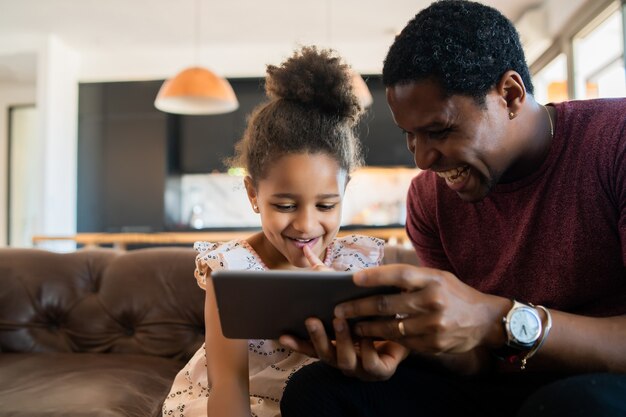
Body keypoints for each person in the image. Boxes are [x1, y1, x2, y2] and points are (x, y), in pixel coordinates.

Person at [278, 1, 626, 416]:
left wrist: (496, 318)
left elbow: (487, 326)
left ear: (510, 95)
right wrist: (413, 341)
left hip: (605, 384)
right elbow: (476, 361)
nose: (422, 159)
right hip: (502, 385)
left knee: (569, 405)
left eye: (439, 131)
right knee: (317, 390)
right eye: (410, 136)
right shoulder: (429, 199)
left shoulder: (615, 143)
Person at [161, 46, 397, 417]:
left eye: (325, 205)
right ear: (254, 193)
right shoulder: (230, 269)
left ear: (345, 191)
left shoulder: (358, 260)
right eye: (285, 206)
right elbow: (228, 385)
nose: (305, 225)